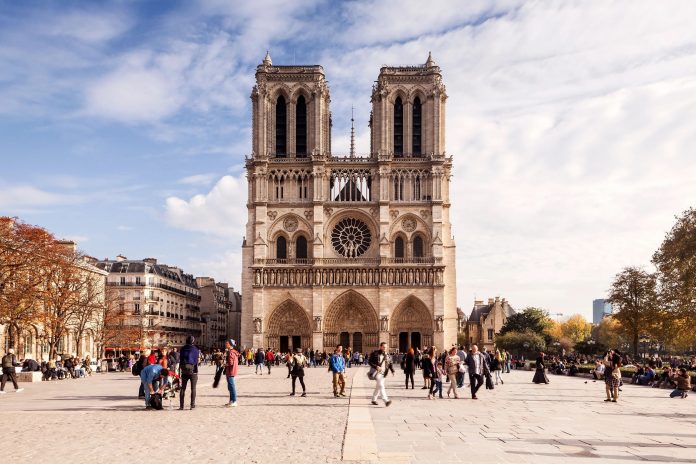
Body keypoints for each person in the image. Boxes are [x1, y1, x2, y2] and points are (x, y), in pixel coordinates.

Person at [368, 341, 394, 407]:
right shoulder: (375, 353)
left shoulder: (387, 355)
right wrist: (376, 366)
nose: (385, 348)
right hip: (377, 372)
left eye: (386, 347)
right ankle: (386, 400)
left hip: (384, 373)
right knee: (381, 386)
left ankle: (374, 399)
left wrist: (392, 370)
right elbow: (369, 362)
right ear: (380, 347)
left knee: (378, 386)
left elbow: (390, 363)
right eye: (383, 347)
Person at [179, 335, 200, 410]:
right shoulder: (195, 349)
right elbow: (196, 361)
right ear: (193, 341)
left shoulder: (182, 349)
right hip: (193, 371)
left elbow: (180, 359)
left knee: (182, 388)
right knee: (193, 388)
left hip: (184, 370)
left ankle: (181, 406)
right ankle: (192, 405)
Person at [224, 339, 240, 407]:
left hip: (230, 371)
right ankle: (231, 401)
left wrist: (225, 364)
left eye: (227, 343)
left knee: (232, 387)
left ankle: (234, 401)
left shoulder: (230, 352)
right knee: (230, 387)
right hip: (232, 370)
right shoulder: (234, 352)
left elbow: (230, 363)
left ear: (230, 344)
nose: (225, 344)